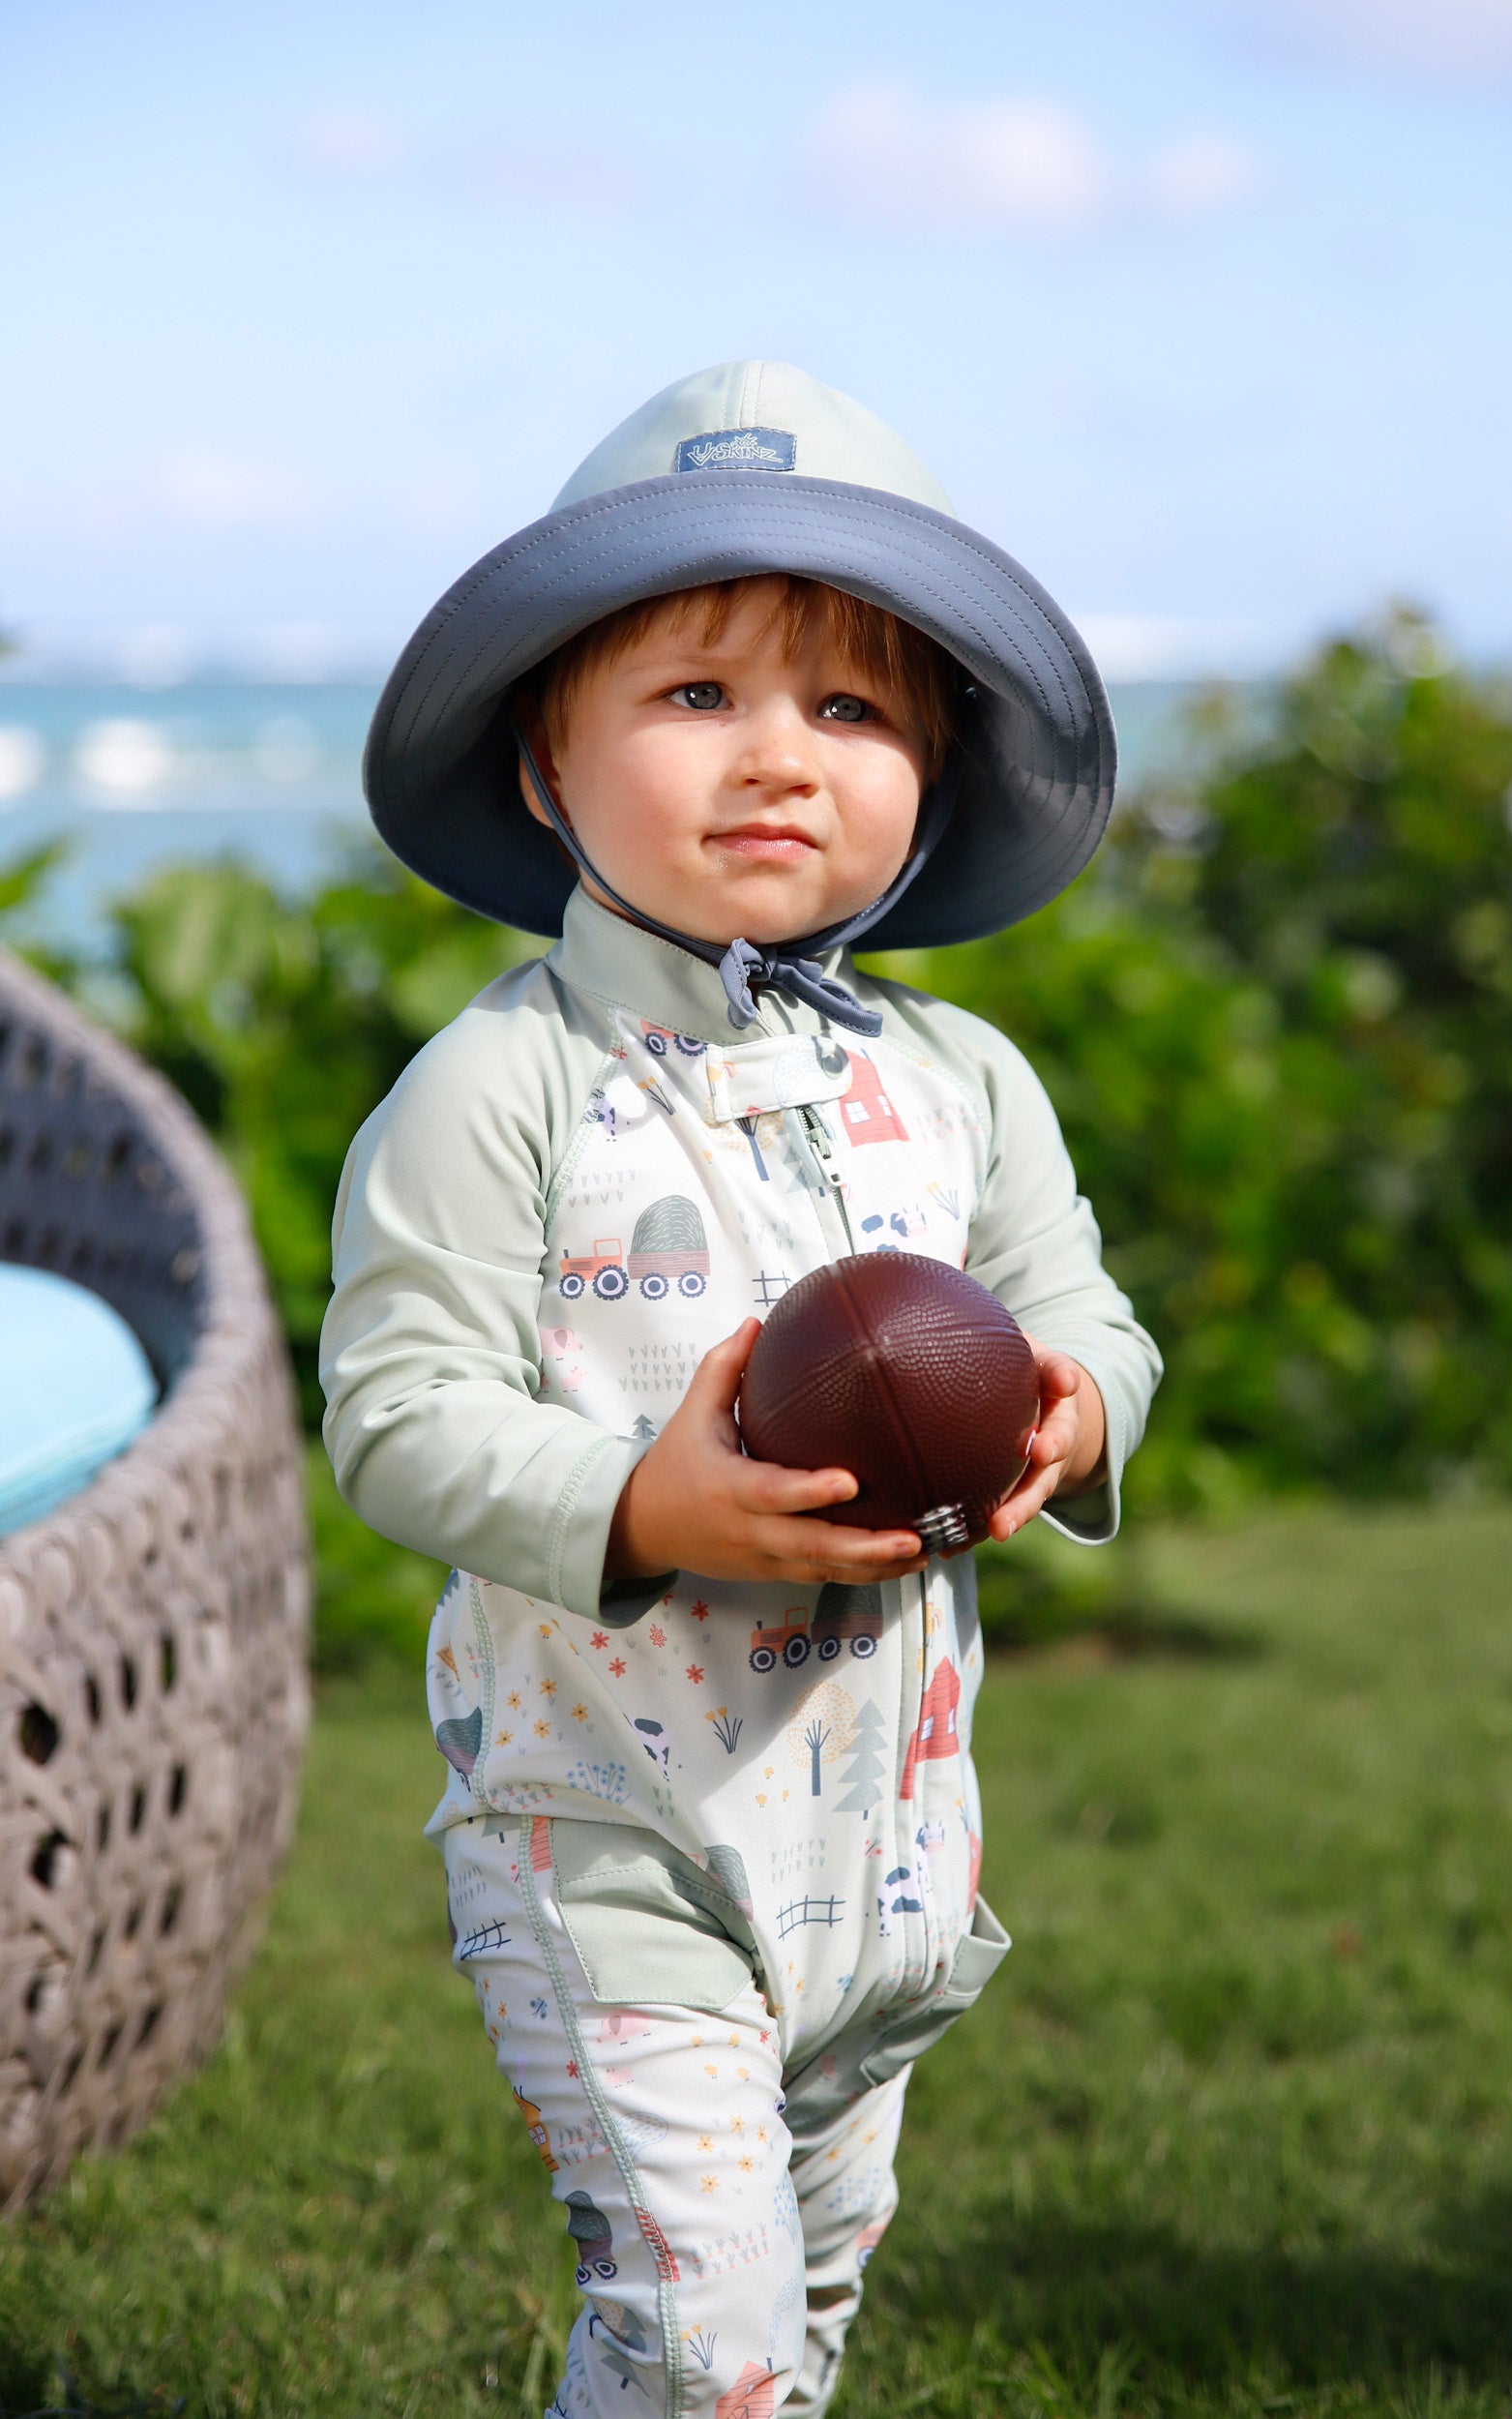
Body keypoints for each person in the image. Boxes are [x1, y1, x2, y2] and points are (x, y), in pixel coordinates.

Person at [320, 360, 1161, 2419]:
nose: (777, 756)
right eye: (695, 694)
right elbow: (392, 1403)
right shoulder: (500, 1084)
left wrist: (1068, 1408)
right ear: (545, 757)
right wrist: (638, 1501)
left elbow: (1089, 1313)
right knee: (703, 2342)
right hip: (603, 1825)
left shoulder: (961, 1083)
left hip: (881, 1841)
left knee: (801, 2333)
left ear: (934, 774)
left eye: (852, 708)